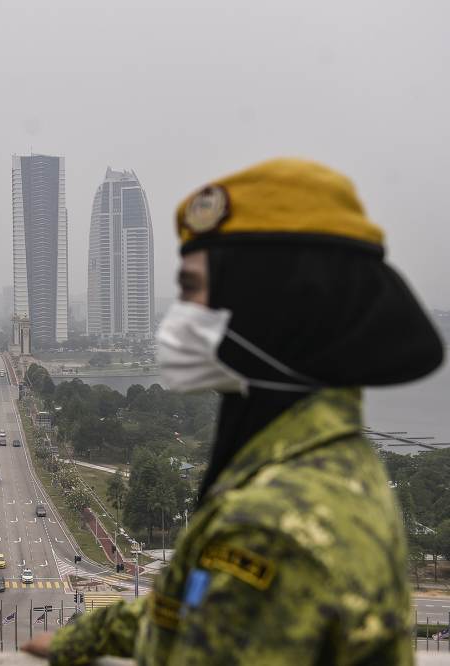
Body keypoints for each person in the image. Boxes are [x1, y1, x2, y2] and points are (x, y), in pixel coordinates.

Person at [23, 158, 444, 664]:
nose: (180, 318)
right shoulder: (319, 464)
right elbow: (203, 614)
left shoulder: (272, 523)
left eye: (194, 290)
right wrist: (86, 637)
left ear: (266, 313)